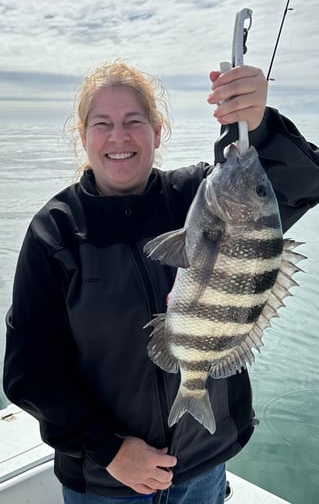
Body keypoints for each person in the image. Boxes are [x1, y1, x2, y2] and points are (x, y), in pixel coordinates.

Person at [3, 60, 319, 504]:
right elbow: (28, 372)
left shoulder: (197, 197)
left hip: (204, 467)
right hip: (106, 482)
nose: (119, 137)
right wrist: (109, 450)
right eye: (103, 124)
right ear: (83, 134)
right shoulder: (55, 233)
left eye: (134, 122)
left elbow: (298, 182)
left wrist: (259, 125)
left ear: (157, 130)